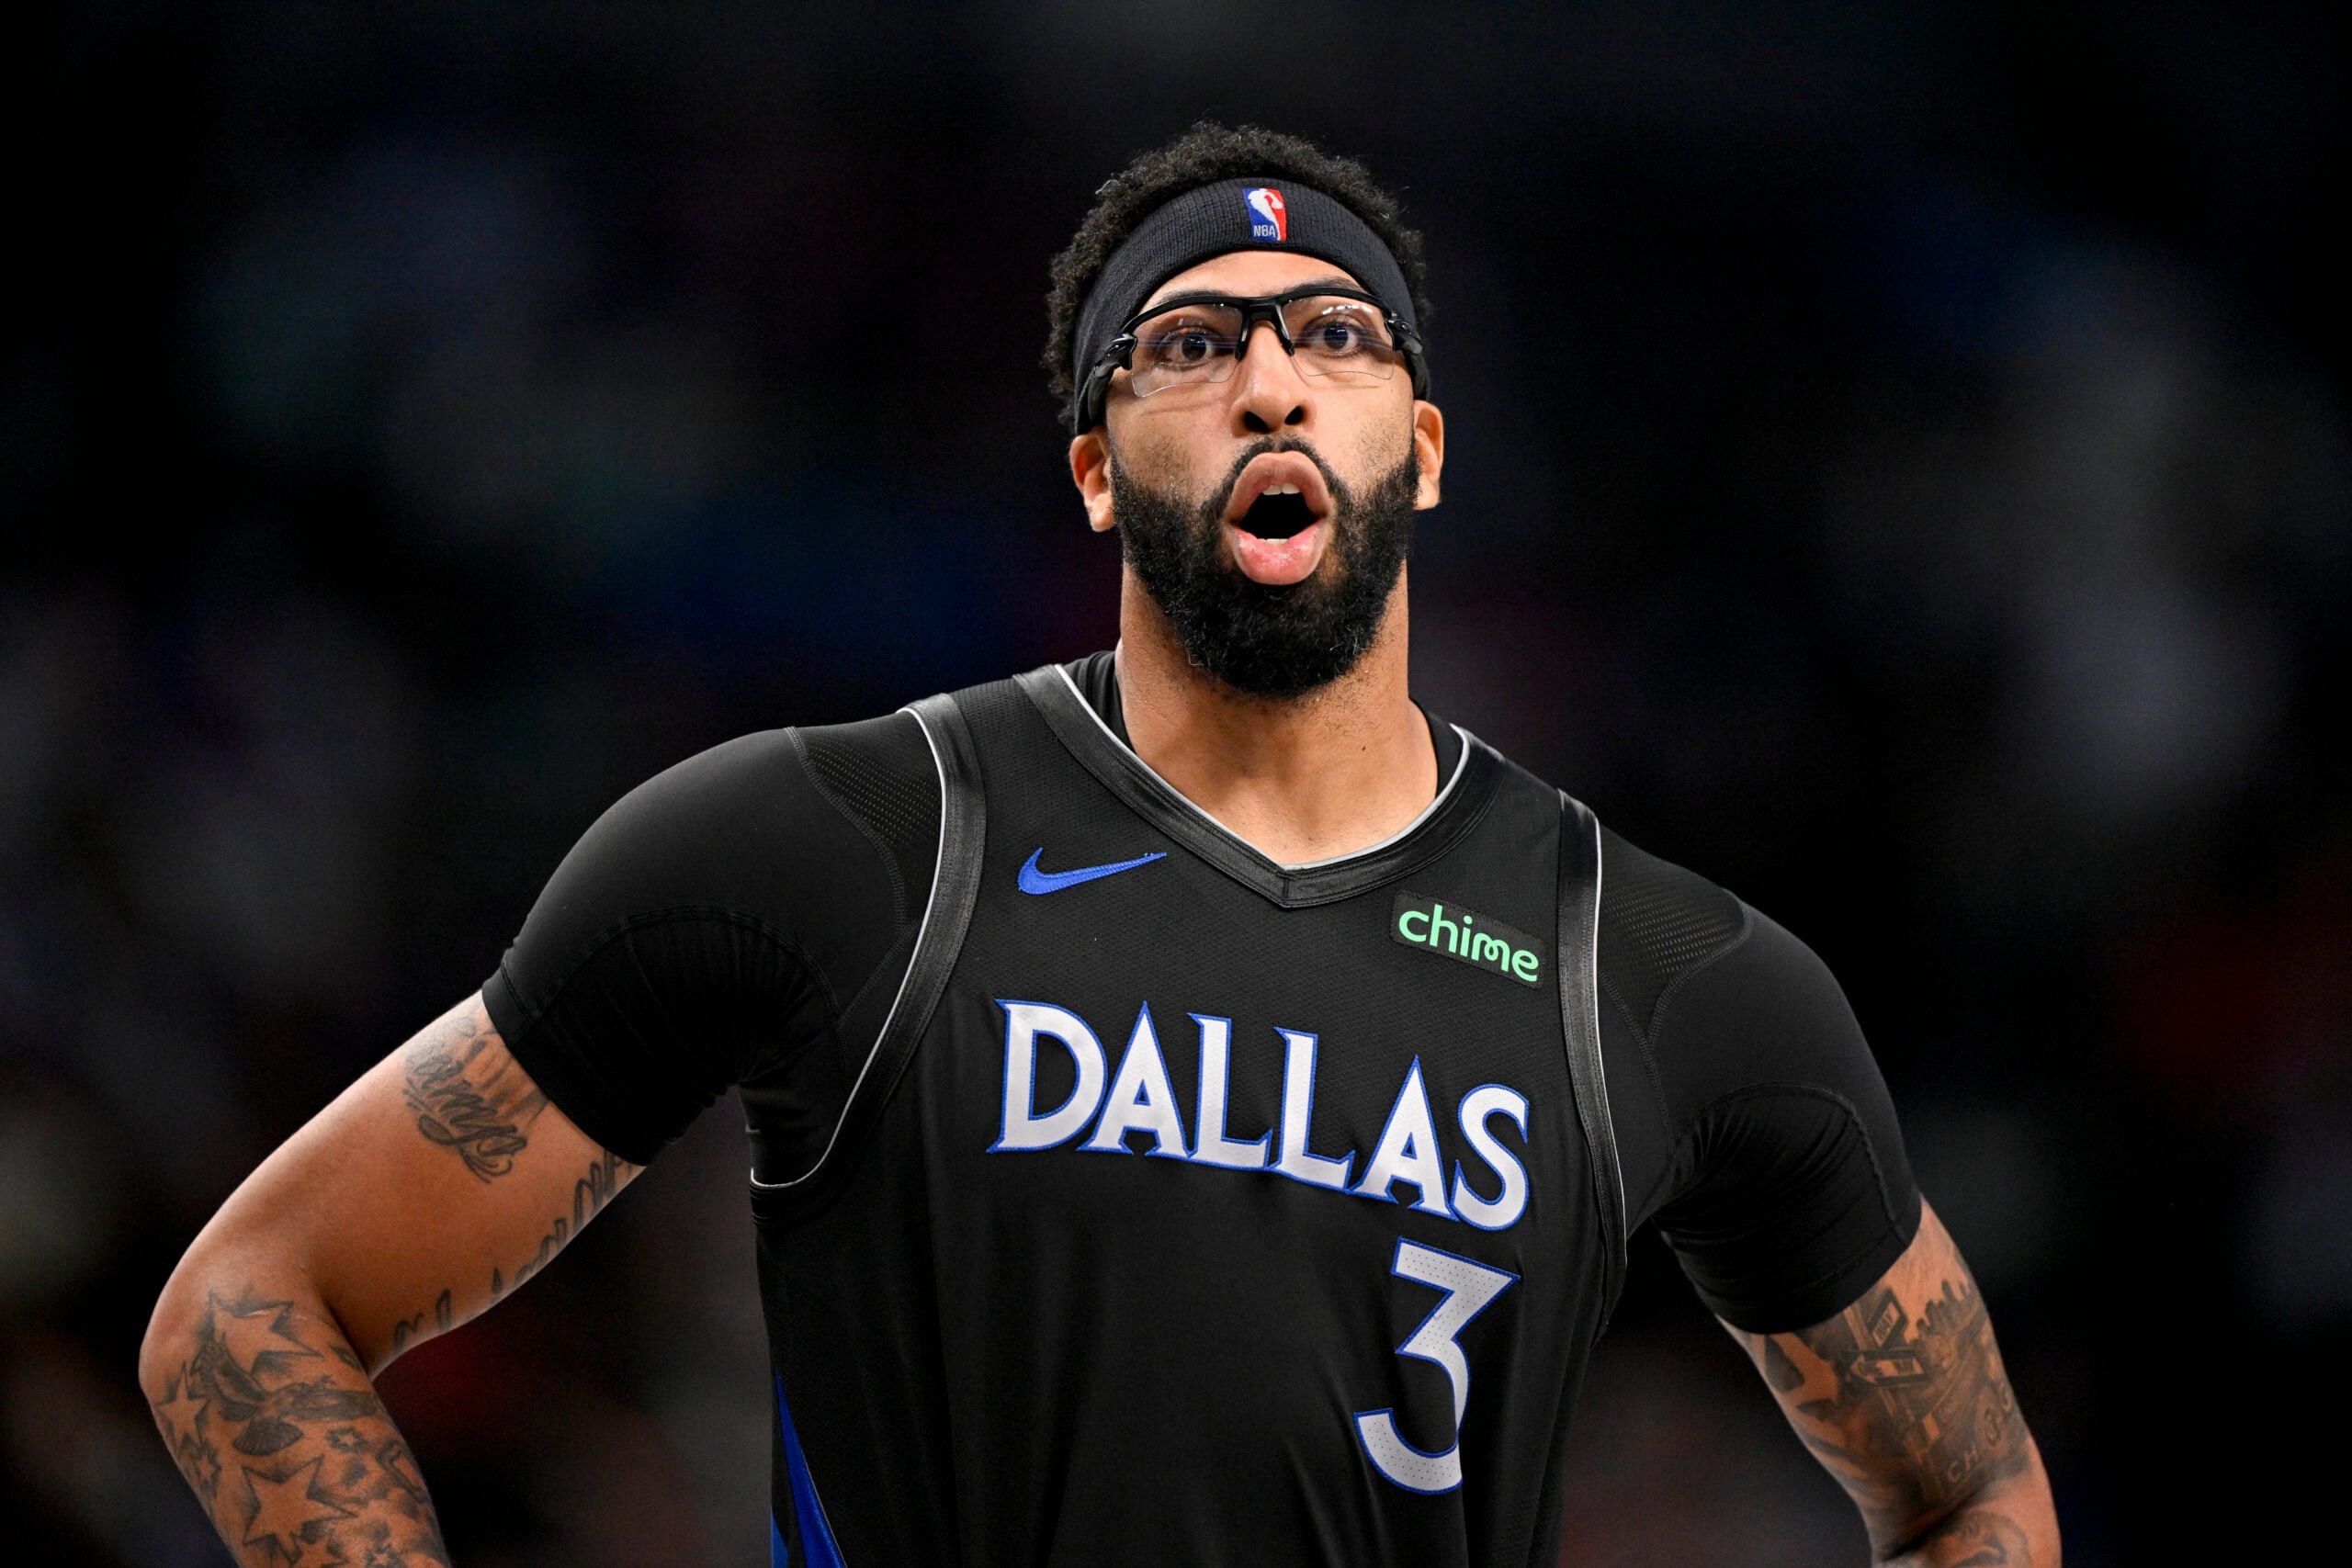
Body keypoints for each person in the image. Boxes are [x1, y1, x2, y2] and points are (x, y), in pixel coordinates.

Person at [141, 122, 2060, 1566]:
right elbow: (247, 1303)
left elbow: (1970, 1479)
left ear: (1425, 443)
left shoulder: (1653, 968)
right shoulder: (840, 840)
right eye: (1186, 341)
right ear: (1090, 457)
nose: (1268, 375)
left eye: (1331, 331)